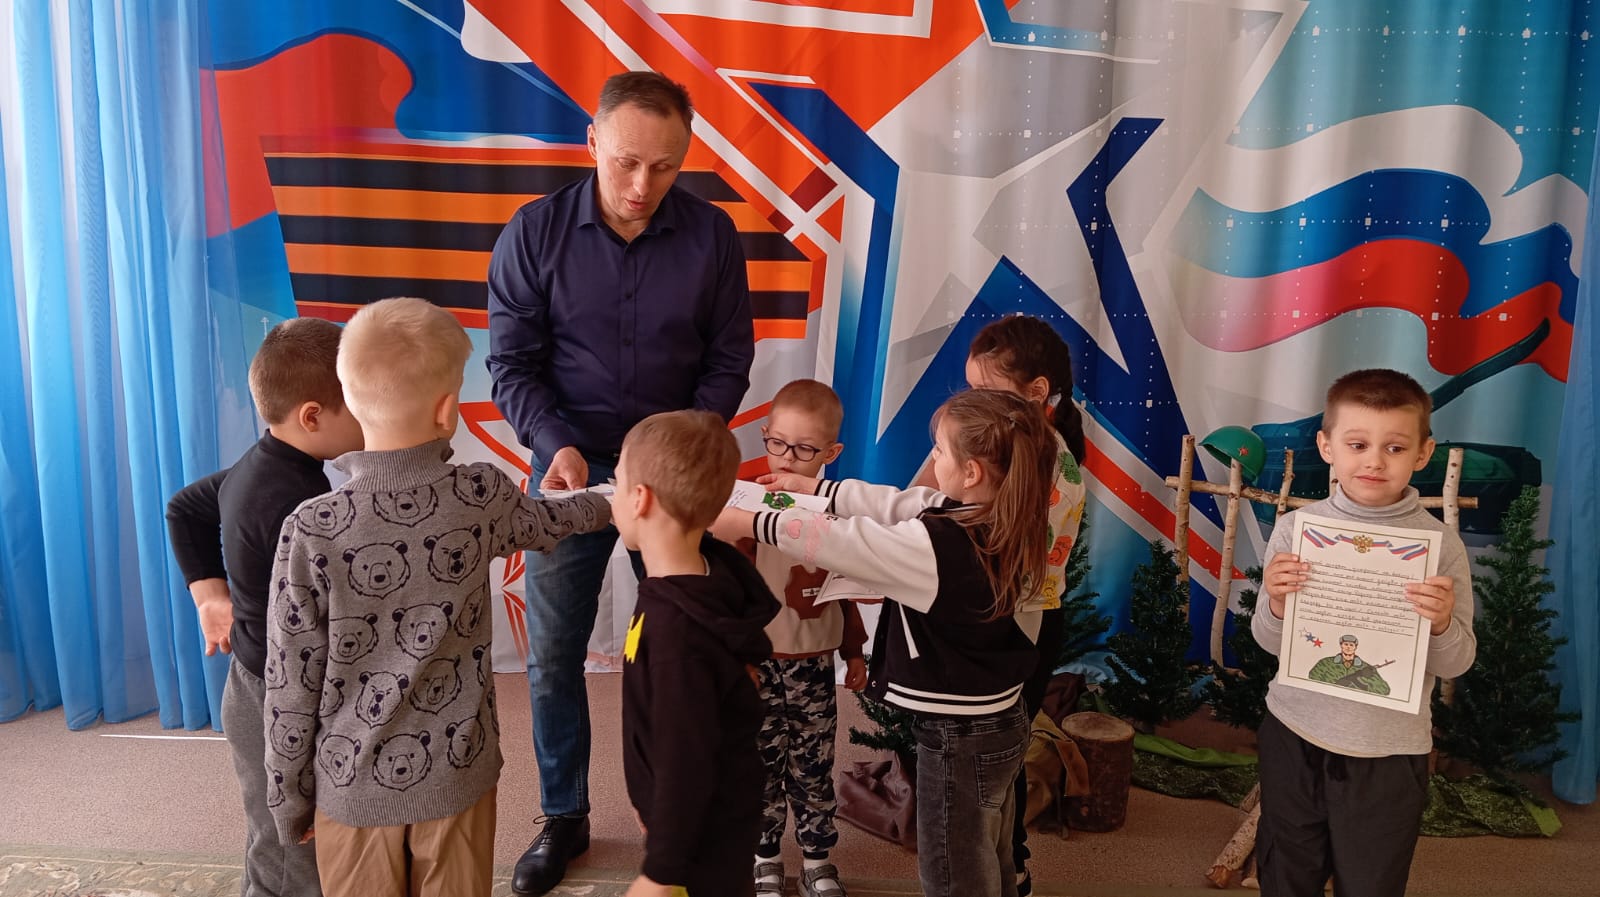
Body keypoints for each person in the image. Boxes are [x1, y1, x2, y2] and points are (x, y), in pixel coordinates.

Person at [485, 69, 755, 896]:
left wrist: (678, 457)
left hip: (666, 485)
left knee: (683, 655)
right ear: (592, 142)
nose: (643, 185)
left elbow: (728, 360)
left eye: (665, 167)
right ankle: (563, 815)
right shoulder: (534, 233)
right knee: (552, 656)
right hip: (570, 472)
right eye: (627, 162)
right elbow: (512, 365)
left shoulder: (713, 236)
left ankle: (676, 821)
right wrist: (555, 443)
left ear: (686, 156)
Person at [264, 298, 612, 897]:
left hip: (349, 790)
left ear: (349, 396)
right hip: (457, 778)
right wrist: (614, 500)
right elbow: (553, 521)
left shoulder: (310, 528)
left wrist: (288, 801)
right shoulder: (480, 495)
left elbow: (290, 682)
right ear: (448, 409)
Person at [714, 389, 1056, 897]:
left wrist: (750, 521)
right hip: (1001, 717)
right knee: (992, 847)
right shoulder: (997, 513)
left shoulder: (939, 548)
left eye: (939, 450)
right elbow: (901, 503)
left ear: (971, 472)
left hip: (958, 735)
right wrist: (815, 488)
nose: (932, 460)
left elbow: (845, 542)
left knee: (954, 867)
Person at [1253, 368, 1476, 897]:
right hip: (1294, 732)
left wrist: (1441, 624)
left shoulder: (1440, 546)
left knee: (1372, 882)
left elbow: (1458, 662)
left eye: (1394, 448)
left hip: (1389, 751)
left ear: (1423, 454)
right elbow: (1268, 642)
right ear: (1326, 446)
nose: (1374, 461)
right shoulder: (1296, 530)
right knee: (1287, 872)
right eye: (1357, 444)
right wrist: (1278, 604)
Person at [166, 317, 364, 897]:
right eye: (359, 404)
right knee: (287, 851)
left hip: (265, 681)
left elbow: (184, 507)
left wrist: (209, 593)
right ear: (312, 416)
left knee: (291, 841)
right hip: (273, 699)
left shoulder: (263, 465)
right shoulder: (292, 501)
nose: (369, 416)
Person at [612, 410, 780, 897]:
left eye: (616, 482)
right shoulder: (699, 579)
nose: (613, 495)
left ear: (640, 499)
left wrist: (659, 872)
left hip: (702, 835)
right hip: (702, 816)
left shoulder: (677, 636)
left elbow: (686, 758)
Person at [963, 315, 1088, 897]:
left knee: (1002, 757)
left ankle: (1010, 867)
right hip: (1002, 619)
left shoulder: (1046, 461)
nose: (975, 403)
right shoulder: (1010, 444)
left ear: (1036, 391)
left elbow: (993, 551)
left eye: (987, 391)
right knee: (988, 756)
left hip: (1022, 627)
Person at [733, 380, 868, 897]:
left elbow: (846, 590)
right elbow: (731, 592)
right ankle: (764, 856)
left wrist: (854, 653)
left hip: (813, 666)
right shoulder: (747, 507)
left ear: (830, 453)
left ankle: (817, 859)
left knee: (813, 764)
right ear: (765, 435)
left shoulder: (836, 511)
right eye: (777, 443)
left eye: (805, 449)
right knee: (761, 764)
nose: (787, 458)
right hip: (759, 666)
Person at [1308, 634, 1391, 695]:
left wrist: (1364, 681)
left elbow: (1385, 690)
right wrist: (1334, 686)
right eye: (1346, 644)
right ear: (1341, 645)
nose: (1348, 647)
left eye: (1351, 645)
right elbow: (1312, 678)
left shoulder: (1365, 667)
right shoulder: (1326, 663)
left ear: (1355, 647)